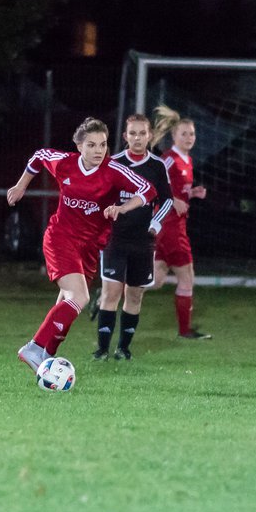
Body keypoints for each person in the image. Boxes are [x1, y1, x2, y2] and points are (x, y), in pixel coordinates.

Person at [8, 118, 156, 373]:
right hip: (60, 238)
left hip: (88, 248)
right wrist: (21, 185)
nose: (99, 150)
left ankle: (46, 354)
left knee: (66, 301)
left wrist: (122, 207)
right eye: (92, 145)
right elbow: (39, 156)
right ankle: (34, 347)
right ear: (79, 146)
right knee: (80, 297)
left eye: (103, 144)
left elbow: (148, 190)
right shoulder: (64, 163)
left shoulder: (113, 170)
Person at [92, 114, 174, 361]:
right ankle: (102, 350)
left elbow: (167, 199)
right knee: (111, 293)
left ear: (149, 136)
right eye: (133, 133)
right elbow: (99, 196)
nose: (137, 138)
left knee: (135, 294)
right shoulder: (113, 163)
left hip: (142, 240)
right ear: (125, 136)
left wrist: (155, 224)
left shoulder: (157, 166)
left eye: (142, 133)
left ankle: (123, 349)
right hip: (114, 238)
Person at [151, 104, 211, 339]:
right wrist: (173, 199)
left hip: (172, 226)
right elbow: (153, 185)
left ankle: (112, 290)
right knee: (187, 277)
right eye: (184, 133)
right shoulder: (169, 158)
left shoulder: (187, 160)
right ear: (173, 136)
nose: (189, 137)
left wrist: (191, 193)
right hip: (170, 226)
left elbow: (176, 188)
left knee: (155, 281)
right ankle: (185, 331)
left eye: (192, 133)